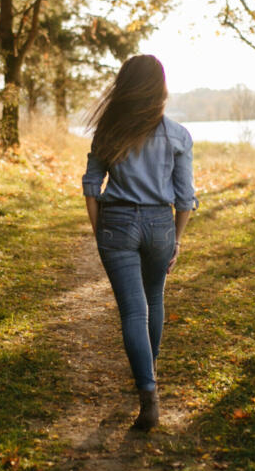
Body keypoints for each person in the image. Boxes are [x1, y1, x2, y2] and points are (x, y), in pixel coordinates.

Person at [82, 55, 197, 431]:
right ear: (159, 89)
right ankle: (150, 373)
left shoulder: (108, 133)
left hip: (116, 222)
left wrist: (101, 231)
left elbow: (91, 187)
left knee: (133, 311)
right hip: (160, 225)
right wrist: (176, 239)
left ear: (125, 88)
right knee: (154, 299)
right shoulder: (178, 135)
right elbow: (185, 198)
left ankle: (148, 395)